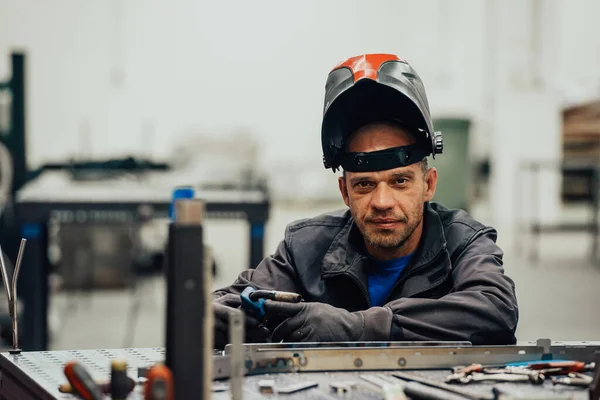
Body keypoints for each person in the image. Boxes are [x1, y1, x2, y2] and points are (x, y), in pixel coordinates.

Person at [212, 54, 518, 348]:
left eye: (400, 181)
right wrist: (221, 318)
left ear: (428, 185)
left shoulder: (462, 241)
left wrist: (359, 327)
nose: (382, 201)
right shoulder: (305, 247)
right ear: (345, 192)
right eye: (364, 184)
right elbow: (227, 302)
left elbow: (496, 311)